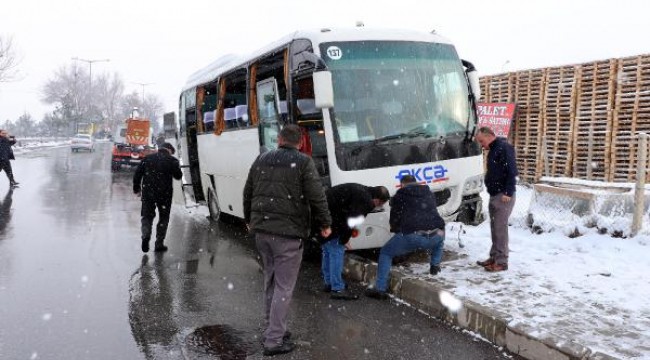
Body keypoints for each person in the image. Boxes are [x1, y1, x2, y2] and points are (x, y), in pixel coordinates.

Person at [243, 124, 331, 357]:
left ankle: (273, 328)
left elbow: (248, 191)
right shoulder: (303, 162)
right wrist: (325, 224)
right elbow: (317, 196)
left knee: (271, 282)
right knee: (283, 286)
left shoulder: (261, 159)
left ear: (279, 139)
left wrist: (249, 220)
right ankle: (273, 341)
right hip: (288, 235)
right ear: (300, 143)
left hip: (262, 232)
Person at [365, 175, 445, 300]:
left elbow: (395, 218)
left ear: (402, 184)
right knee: (440, 241)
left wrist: (397, 230)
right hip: (437, 233)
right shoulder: (428, 193)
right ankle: (434, 267)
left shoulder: (400, 195)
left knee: (386, 252)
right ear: (416, 183)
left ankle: (380, 289)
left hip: (414, 235)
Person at [321, 183, 390, 300]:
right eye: (381, 204)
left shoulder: (362, 190)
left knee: (328, 250)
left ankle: (329, 282)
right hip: (333, 219)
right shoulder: (366, 201)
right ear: (378, 200)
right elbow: (352, 222)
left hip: (324, 215)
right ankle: (337, 288)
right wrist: (344, 239)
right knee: (336, 251)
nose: (378, 207)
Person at [474, 126, 518, 272]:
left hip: (503, 195)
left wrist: (508, 192)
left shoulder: (504, 148)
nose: (481, 144)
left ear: (488, 136)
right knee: (494, 228)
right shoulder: (494, 149)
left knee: (500, 229)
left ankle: (501, 261)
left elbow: (512, 171)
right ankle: (494, 256)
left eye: (481, 141)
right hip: (495, 194)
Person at [133, 142, 182, 253]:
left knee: (147, 217)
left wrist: (136, 188)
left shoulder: (147, 158)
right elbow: (178, 176)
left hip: (148, 192)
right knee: (163, 218)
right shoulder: (172, 161)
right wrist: (175, 167)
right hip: (164, 194)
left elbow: (137, 174)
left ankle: (145, 236)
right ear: (169, 150)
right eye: (171, 152)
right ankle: (159, 243)